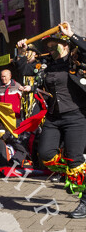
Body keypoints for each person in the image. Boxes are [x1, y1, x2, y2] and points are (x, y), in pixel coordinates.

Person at [16, 23, 86, 217]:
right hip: (53, 117)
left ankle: (84, 200)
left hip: (76, 116)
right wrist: (22, 53)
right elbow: (25, 70)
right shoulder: (46, 64)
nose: (49, 48)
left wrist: (71, 34)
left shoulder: (76, 60)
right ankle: (76, 173)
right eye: (47, 46)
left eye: (53, 44)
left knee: (75, 159)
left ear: (64, 45)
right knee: (46, 155)